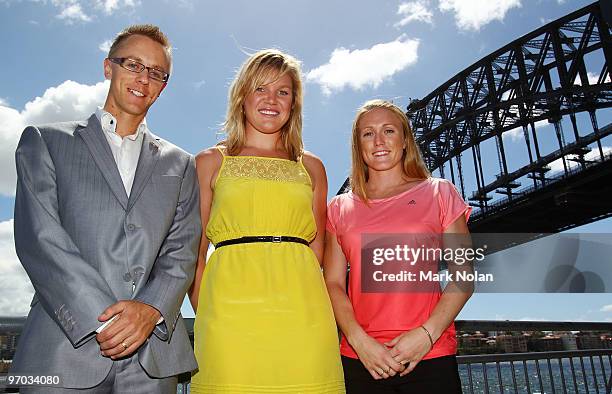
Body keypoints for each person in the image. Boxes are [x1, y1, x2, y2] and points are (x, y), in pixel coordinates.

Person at [11, 24, 201, 393]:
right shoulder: (45, 141)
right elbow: (40, 240)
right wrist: (106, 321)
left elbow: (182, 250)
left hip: (152, 361)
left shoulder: (182, 164)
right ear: (107, 67)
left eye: (156, 73)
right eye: (133, 64)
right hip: (62, 350)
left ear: (163, 86)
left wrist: (150, 311)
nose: (144, 79)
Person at [188, 49, 345, 393]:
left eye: (283, 92)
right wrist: (208, 314)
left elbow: (317, 252)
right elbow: (193, 255)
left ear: (294, 103)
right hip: (227, 315)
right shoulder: (210, 162)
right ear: (242, 96)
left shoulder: (313, 167)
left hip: (303, 315)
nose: (272, 100)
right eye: (261, 89)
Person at [323, 100, 473, 393]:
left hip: (429, 355)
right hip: (362, 359)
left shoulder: (440, 192)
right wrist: (359, 341)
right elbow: (333, 283)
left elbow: (464, 275)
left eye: (388, 130)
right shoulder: (339, 207)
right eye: (368, 134)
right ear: (358, 145)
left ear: (405, 140)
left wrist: (426, 336)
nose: (378, 141)